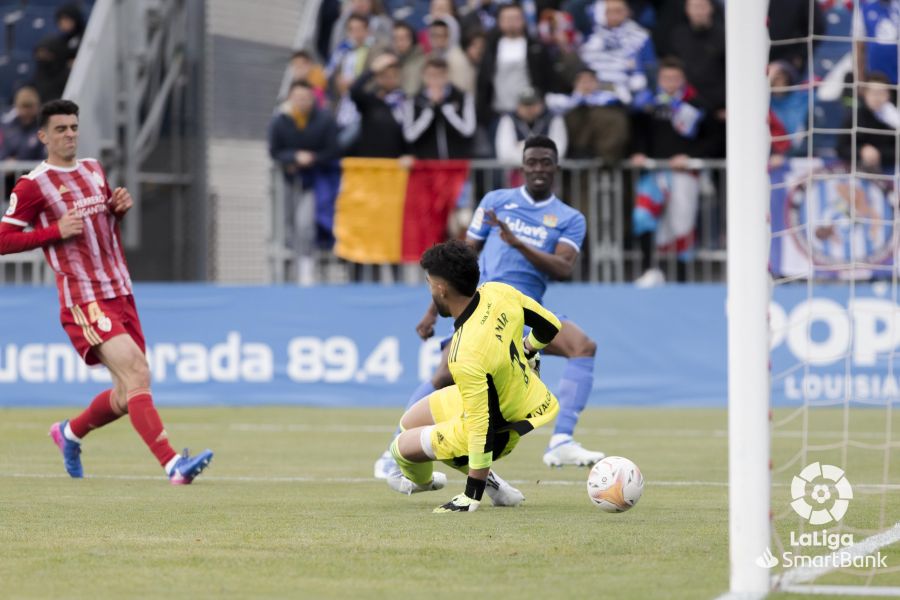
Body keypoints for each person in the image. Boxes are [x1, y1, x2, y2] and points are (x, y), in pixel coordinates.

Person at [0, 100, 213, 484]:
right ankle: (173, 466)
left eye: (74, 127)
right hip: (84, 297)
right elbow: (3, 240)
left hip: (121, 290)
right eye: (61, 129)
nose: (69, 135)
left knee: (124, 393)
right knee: (138, 372)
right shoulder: (33, 185)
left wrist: (117, 210)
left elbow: (100, 225)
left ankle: (69, 433)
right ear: (43, 136)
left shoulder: (94, 169)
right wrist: (54, 232)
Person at [374, 135, 603, 478]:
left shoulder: (570, 218)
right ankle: (394, 452)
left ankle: (561, 442)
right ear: (522, 167)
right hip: (486, 307)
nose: (538, 168)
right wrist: (431, 311)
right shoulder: (497, 201)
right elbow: (461, 259)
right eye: (532, 162)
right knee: (443, 376)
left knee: (583, 346)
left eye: (545, 162)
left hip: (527, 309)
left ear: (556, 167)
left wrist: (517, 243)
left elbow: (563, 267)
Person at [386, 239, 560, 512]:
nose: (430, 290)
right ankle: (498, 489)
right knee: (409, 421)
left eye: (429, 284)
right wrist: (529, 348)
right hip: (518, 396)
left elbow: (482, 427)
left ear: (441, 289)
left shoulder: (464, 352)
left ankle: (426, 482)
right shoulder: (497, 291)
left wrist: (471, 495)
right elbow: (551, 325)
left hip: (501, 429)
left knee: (399, 448)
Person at [630, 57, 711, 287]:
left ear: (683, 79)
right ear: (659, 79)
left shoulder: (695, 106)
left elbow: (710, 137)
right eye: (666, 78)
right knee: (643, 216)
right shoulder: (648, 105)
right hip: (653, 172)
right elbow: (639, 134)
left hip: (684, 175)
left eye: (675, 78)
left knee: (680, 224)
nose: (670, 83)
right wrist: (638, 152)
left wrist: (690, 156)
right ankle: (649, 269)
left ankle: (681, 278)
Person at [268, 81, 341, 284]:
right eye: (298, 98)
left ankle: (307, 266)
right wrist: (293, 158)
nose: (302, 102)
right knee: (288, 224)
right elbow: (275, 151)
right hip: (289, 181)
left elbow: (333, 150)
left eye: (306, 98)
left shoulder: (324, 119)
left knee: (305, 224)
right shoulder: (281, 120)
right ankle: (289, 266)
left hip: (316, 181)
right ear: (290, 98)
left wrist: (312, 159)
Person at [403, 57, 475, 159]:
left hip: (456, 165)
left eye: (440, 75)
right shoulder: (414, 101)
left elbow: (468, 131)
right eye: (431, 75)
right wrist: (430, 110)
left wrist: (447, 111)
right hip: (426, 167)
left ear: (447, 75)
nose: (436, 80)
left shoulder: (462, 97)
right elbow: (410, 136)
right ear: (424, 76)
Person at [348, 53, 411, 157]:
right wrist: (372, 70)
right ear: (378, 78)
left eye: (394, 75)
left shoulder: (405, 102)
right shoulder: (370, 102)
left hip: (395, 164)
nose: (390, 79)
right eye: (385, 75)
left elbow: (410, 133)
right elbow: (354, 91)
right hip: (370, 163)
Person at [837, 72, 899, 173]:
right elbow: (841, 149)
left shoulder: (895, 120)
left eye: (881, 93)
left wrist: (879, 154)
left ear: (888, 95)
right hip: (856, 171)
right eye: (873, 92)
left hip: (889, 171)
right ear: (865, 93)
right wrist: (861, 151)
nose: (877, 97)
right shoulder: (854, 117)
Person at [494, 88, 568, 166]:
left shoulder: (553, 118)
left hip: (547, 174)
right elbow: (505, 155)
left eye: (533, 104)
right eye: (525, 105)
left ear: (541, 104)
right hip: (516, 173)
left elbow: (559, 152)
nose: (529, 109)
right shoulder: (508, 119)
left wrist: (521, 147)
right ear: (518, 106)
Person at [0, 86, 45, 161]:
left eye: (30, 106)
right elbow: (3, 152)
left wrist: (18, 161)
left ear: (37, 106)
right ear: (16, 106)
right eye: (24, 106)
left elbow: (45, 156)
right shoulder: (8, 128)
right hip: (10, 171)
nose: (26, 110)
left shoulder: (44, 127)